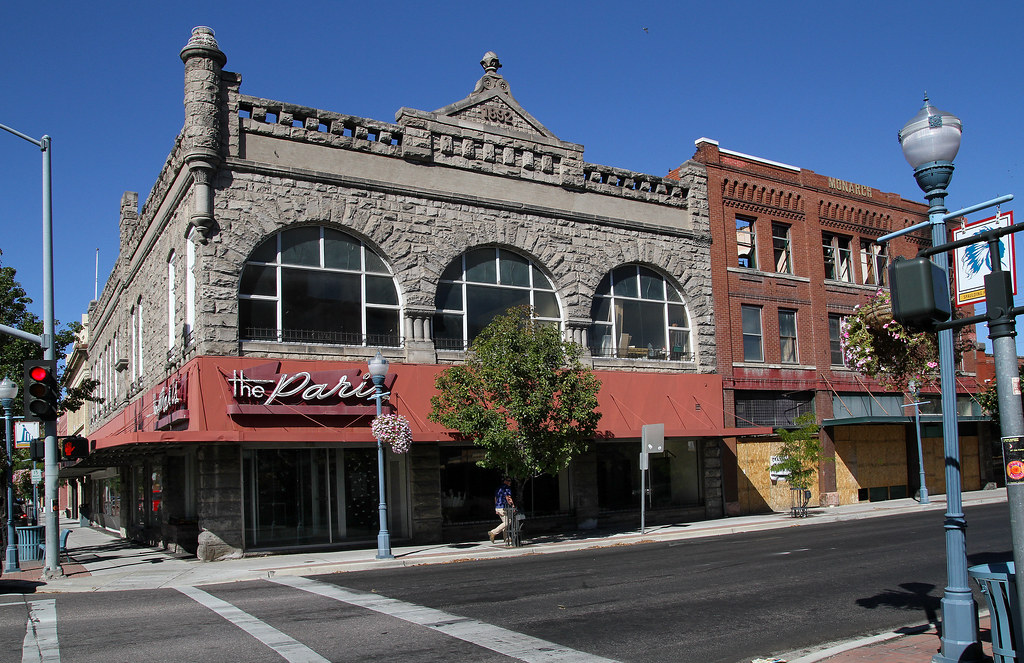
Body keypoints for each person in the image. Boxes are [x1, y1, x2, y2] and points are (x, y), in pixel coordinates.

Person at [487, 477, 523, 543]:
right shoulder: (506, 488)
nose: (510, 482)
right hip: (503, 507)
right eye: (508, 481)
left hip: (498, 507)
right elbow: (508, 497)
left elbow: (496, 498)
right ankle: (493, 532)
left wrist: (496, 508)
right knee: (508, 522)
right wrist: (512, 505)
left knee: (505, 523)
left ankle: (507, 539)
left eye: (510, 481)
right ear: (505, 481)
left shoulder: (498, 488)